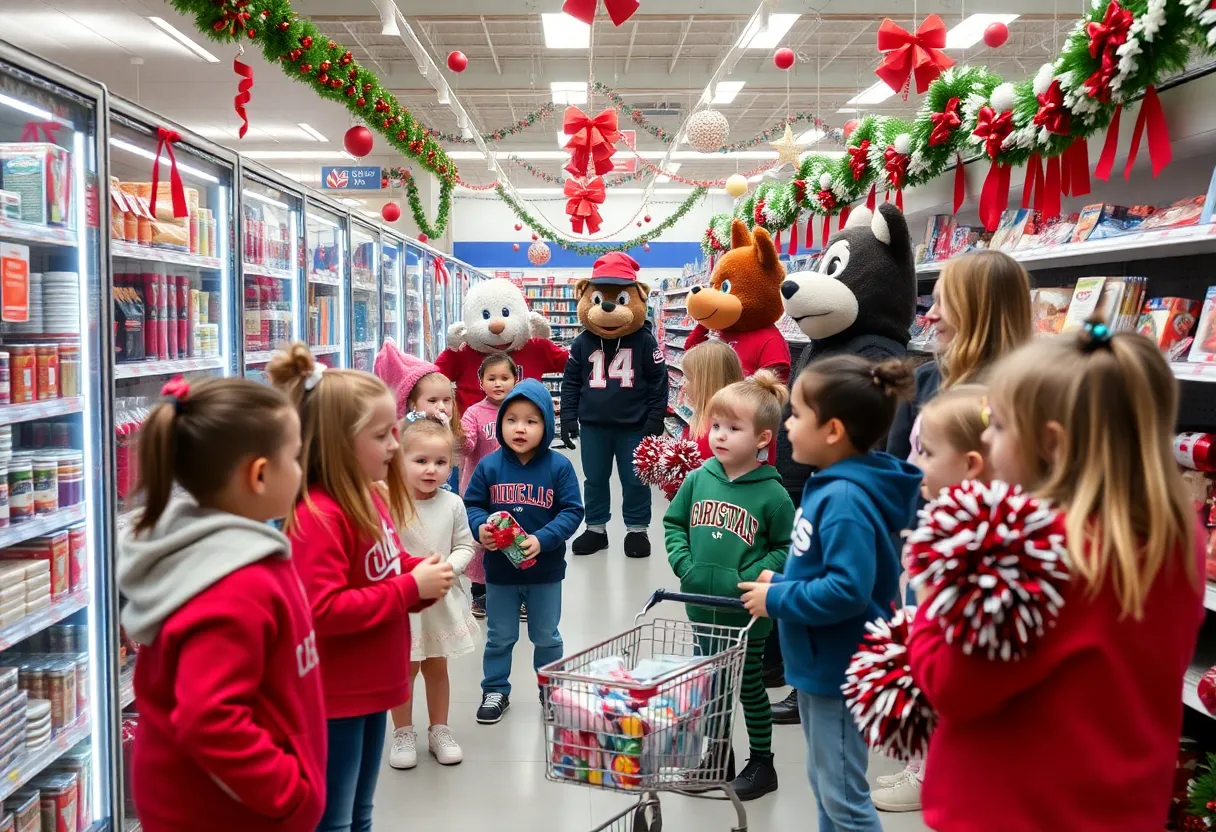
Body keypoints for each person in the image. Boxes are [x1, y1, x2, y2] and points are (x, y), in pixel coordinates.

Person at [907, 323, 1205, 832]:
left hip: (1008, 811)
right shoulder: (1177, 536)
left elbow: (949, 686)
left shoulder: (1032, 549)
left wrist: (934, 587)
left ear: (1051, 443)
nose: (983, 437)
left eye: (998, 425)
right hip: (1124, 807)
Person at [117, 376, 326, 832]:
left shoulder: (230, 559)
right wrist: (287, 792)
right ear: (259, 474)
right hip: (231, 812)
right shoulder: (233, 585)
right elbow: (209, 716)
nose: (301, 467)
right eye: (294, 457)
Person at [269, 344, 455, 832]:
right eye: (382, 435)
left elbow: (384, 566)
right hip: (335, 695)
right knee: (332, 818)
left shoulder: (368, 500)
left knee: (360, 812)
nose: (396, 445)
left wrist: (419, 572)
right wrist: (408, 589)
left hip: (373, 684)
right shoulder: (318, 518)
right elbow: (321, 611)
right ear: (337, 444)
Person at [739, 355, 921, 832]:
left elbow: (847, 590)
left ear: (834, 431)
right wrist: (781, 582)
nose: (787, 426)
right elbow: (827, 568)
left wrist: (777, 600)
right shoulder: (831, 484)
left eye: (797, 415)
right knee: (827, 787)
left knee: (843, 798)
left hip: (840, 666)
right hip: (824, 663)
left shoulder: (843, 500)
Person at [664, 371, 795, 801]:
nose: (719, 436)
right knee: (714, 684)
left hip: (747, 612)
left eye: (733, 428)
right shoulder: (699, 479)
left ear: (762, 438)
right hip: (700, 604)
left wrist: (758, 572)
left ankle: (762, 763)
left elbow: (785, 547)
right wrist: (684, 562)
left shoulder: (773, 496)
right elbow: (674, 523)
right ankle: (717, 757)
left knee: (747, 685)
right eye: (716, 425)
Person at [869, 384, 993, 813]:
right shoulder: (947, 518)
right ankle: (920, 765)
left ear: (970, 465)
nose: (913, 463)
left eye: (925, 453)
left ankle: (931, 773)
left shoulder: (975, 537)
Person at [464, 379, 585, 724]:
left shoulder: (559, 467)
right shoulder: (489, 466)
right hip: (499, 572)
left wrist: (544, 538)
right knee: (500, 635)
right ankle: (496, 689)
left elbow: (572, 511)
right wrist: (480, 528)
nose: (520, 428)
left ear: (546, 425)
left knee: (546, 635)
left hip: (545, 572)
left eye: (531, 421)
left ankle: (552, 690)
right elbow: (472, 504)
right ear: (500, 423)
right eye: (512, 419)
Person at [388, 414, 479, 771]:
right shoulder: (389, 501)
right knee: (404, 668)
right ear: (400, 461)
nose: (431, 470)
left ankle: (439, 728)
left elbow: (465, 545)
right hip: (403, 600)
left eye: (441, 463)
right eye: (421, 461)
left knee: (437, 666)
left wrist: (449, 568)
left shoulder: (453, 503)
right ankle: (403, 731)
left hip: (440, 598)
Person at [459, 352, 518, 619]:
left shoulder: (521, 411)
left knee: (513, 537)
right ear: (480, 382)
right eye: (491, 378)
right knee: (480, 541)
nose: (498, 383)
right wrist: (455, 437)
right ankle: (479, 592)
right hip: (479, 491)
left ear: (516, 379)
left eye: (505, 377)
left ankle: (516, 591)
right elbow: (467, 444)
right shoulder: (473, 413)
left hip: (514, 490)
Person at [374, 340, 466, 491]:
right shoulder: (409, 423)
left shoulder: (448, 425)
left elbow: (454, 459)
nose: (441, 407)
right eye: (432, 401)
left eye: (447, 400)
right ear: (412, 405)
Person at [680, 339, 745, 461]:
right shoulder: (730, 421)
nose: (683, 386)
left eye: (688, 379)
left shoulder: (714, 438)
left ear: (707, 383)